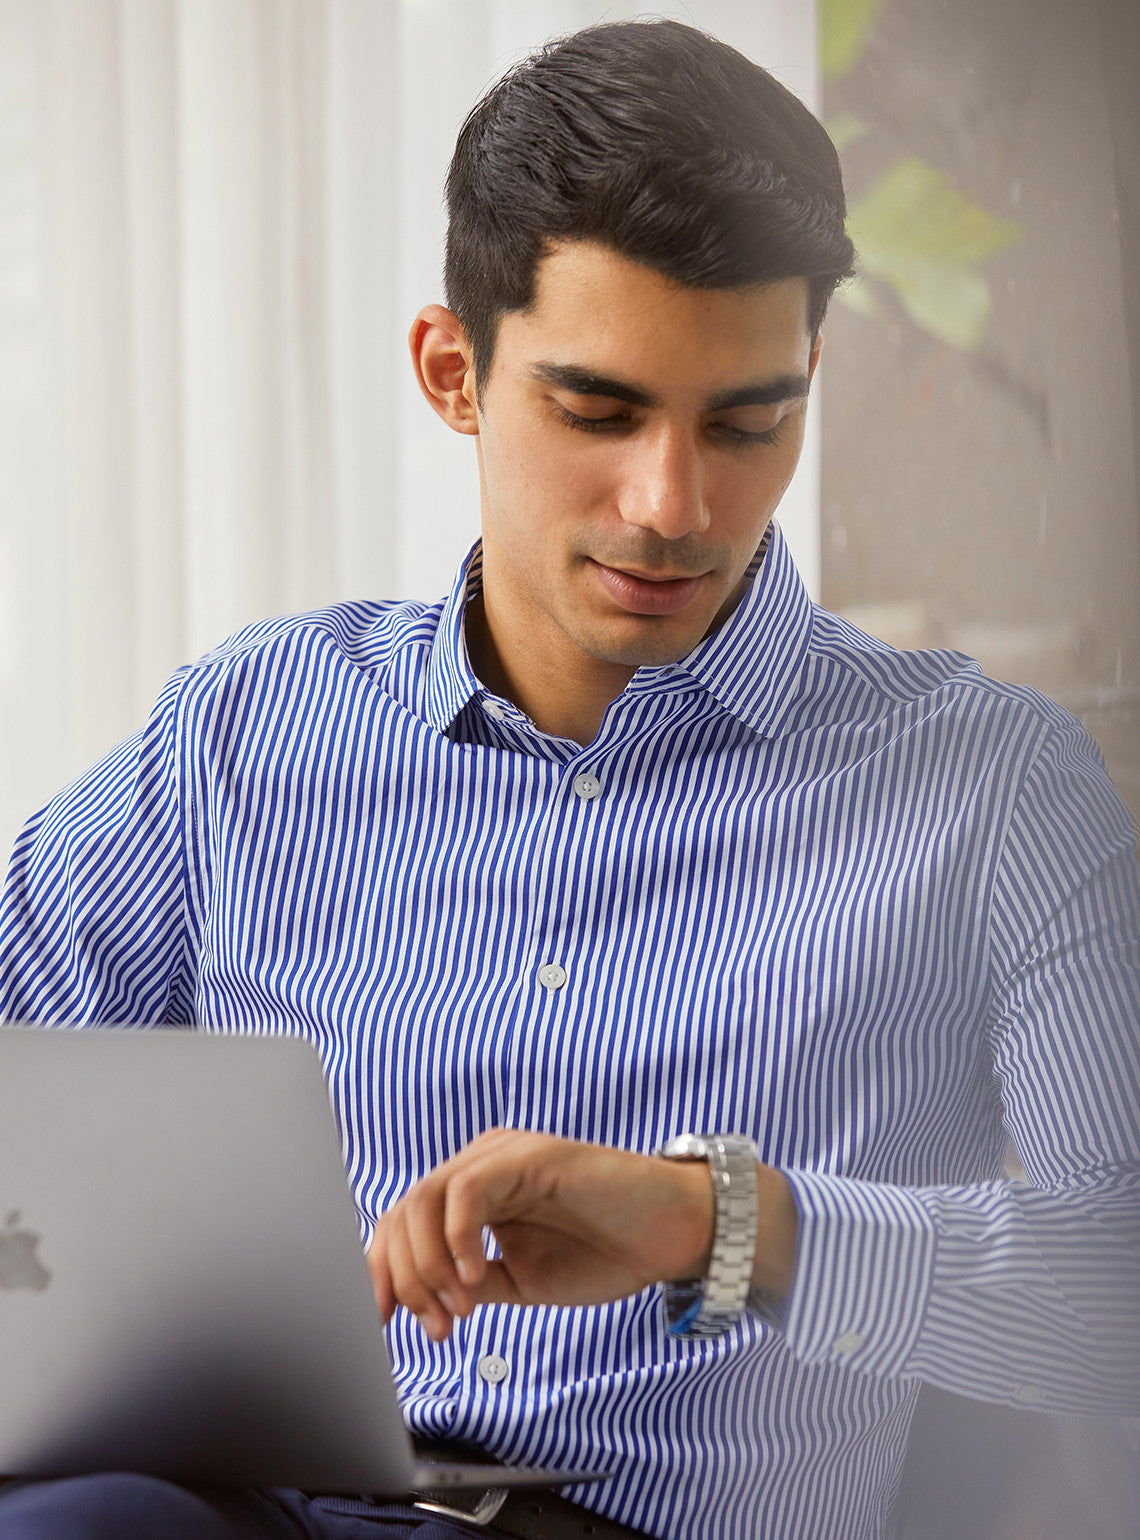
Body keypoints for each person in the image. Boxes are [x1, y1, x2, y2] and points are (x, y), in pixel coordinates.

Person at [1, 16, 1138, 1540]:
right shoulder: (239, 736)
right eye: (597, 412)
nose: (674, 505)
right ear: (451, 372)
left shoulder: (997, 790)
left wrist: (714, 1222)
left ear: (813, 371)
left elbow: (1116, 1288)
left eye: (750, 421)